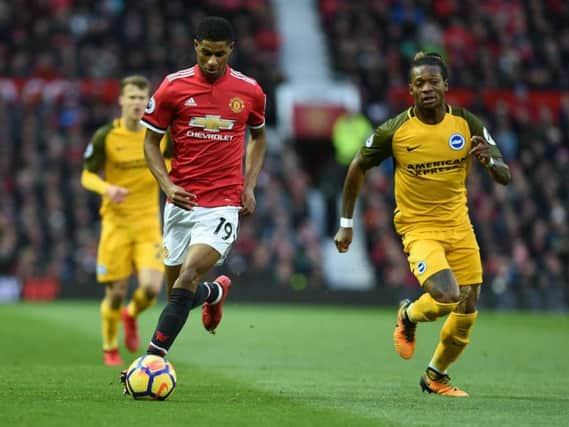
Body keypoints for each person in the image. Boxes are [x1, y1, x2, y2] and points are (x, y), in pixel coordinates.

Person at [334, 52, 511, 397]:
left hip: (459, 226)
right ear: (410, 90)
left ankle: (435, 376)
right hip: (418, 227)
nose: (427, 88)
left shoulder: (466, 124)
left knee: (468, 305)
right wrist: (346, 223)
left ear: (446, 85)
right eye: (420, 84)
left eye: (433, 81)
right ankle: (408, 315)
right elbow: (357, 166)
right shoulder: (396, 130)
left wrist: (490, 162)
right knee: (447, 295)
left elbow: (504, 175)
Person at [140, 16, 266, 358]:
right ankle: (213, 293)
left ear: (231, 51)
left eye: (220, 54)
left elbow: (258, 136)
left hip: (224, 202)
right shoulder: (172, 87)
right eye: (207, 53)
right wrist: (166, 184)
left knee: (188, 275)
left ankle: (152, 360)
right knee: (177, 294)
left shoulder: (249, 90)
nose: (212, 61)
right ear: (196, 46)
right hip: (180, 202)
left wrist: (249, 184)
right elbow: (150, 142)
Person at [81, 75, 170, 366]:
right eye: (131, 97)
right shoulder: (106, 136)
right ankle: (109, 346)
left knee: (151, 289)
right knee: (116, 293)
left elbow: (173, 164)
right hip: (116, 224)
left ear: (148, 102)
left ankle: (131, 315)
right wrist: (108, 188)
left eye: (142, 98)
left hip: (148, 225)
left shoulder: (158, 136)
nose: (136, 102)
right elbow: (87, 174)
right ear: (120, 100)